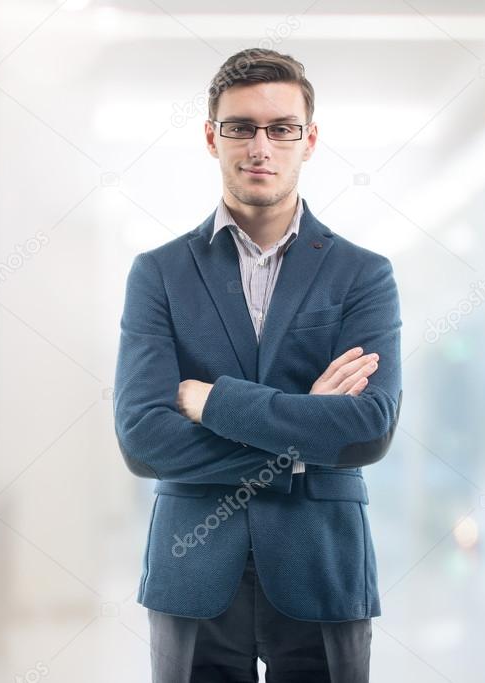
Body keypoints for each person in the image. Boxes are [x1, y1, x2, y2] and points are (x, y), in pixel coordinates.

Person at [112, 48, 403, 682]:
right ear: (212, 137)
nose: (260, 146)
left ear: (310, 139)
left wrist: (211, 402)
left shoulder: (363, 275)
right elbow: (141, 438)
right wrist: (303, 439)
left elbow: (367, 429)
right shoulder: (158, 274)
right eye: (241, 127)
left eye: (281, 129)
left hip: (324, 563)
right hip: (192, 566)